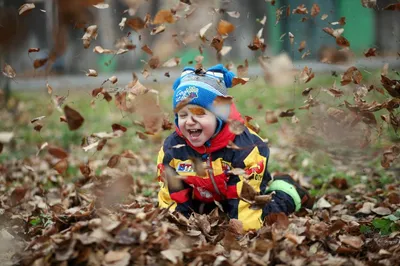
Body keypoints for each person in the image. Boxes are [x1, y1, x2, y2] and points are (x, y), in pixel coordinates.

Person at [156, 64, 310, 230]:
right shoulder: (173, 150)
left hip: (244, 191)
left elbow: (246, 205)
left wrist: (242, 228)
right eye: (183, 115)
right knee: (200, 213)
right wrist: (178, 222)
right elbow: (172, 194)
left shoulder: (245, 149)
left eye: (199, 113)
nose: (189, 121)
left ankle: (288, 190)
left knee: (262, 215)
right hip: (206, 195)